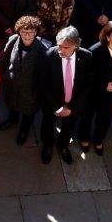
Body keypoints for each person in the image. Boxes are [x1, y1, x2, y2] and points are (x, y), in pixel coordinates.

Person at [39, 26, 92, 164]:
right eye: (59, 46)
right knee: (47, 125)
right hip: (52, 104)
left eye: (66, 47)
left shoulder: (86, 56)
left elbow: (87, 86)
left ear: (76, 45)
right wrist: (57, 108)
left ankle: (62, 146)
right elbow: (43, 85)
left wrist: (72, 108)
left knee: (68, 127)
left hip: (73, 105)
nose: (61, 50)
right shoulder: (49, 55)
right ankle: (48, 145)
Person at [79, 20, 112, 155]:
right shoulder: (95, 51)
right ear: (108, 37)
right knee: (87, 116)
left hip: (111, 94)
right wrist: (103, 85)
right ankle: (84, 138)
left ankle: (98, 140)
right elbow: (87, 76)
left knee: (104, 119)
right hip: (93, 92)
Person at [0, 15, 48, 144]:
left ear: (36, 32)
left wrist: (37, 92)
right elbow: (4, 59)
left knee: (28, 112)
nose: (27, 36)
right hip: (12, 84)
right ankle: (12, 120)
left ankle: (24, 130)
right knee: (12, 104)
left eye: (31, 32)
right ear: (19, 31)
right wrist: (5, 77)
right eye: (24, 32)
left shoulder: (42, 50)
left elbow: (43, 75)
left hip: (30, 89)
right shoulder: (13, 40)